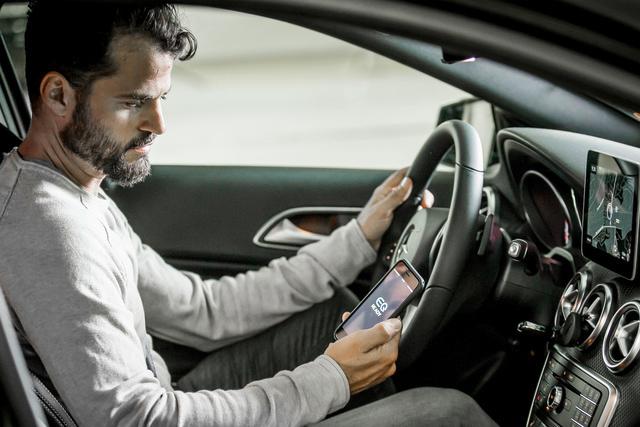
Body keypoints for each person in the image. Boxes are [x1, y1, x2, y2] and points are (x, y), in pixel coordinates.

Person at [0, 2, 498, 426]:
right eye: (135, 103)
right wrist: (330, 380)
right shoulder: (50, 231)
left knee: (330, 318)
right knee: (448, 413)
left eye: (162, 98)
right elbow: (138, 419)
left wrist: (359, 238)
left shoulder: (79, 193)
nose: (159, 124)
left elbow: (202, 310)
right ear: (59, 95)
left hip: (168, 394)